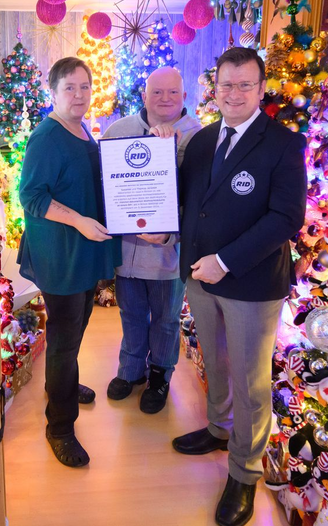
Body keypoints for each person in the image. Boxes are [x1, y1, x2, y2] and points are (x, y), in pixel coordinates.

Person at [171, 47, 308, 526]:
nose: (233, 93)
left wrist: (225, 261)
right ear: (215, 87)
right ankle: (218, 427)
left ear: (261, 87)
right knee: (216, 359)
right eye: (226, 84)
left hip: (250, 282)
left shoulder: (284, 144)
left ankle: (244, 472)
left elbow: (287, 218)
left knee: (252, 382)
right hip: (200, 278)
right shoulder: (204, 140)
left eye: (244, 84)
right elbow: (188, 203)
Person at [18, 56, 121, 468]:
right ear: (53, 93)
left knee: (75, 329)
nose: (79, 95)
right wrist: (79, 221)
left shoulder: (81, 129)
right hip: (59, 253)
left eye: (84, 87)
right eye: (69, 88)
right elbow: (32, 197)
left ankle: (60, 384)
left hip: (82, 250)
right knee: (63, 339)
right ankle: (59, 426)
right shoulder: (47, 136)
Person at [100, 66, 202, 413]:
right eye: (156, 92)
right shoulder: (119, 131)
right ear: (144, 95)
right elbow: (106, 186)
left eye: (173, 92)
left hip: (169, 254)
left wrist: (171, 234)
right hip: (127, 251)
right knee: (130, 314)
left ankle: (160, 375)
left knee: (166, 319)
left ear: (184, 96)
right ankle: (130, 371)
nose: (164, 99)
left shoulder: (198, 136)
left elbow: (201, 201)